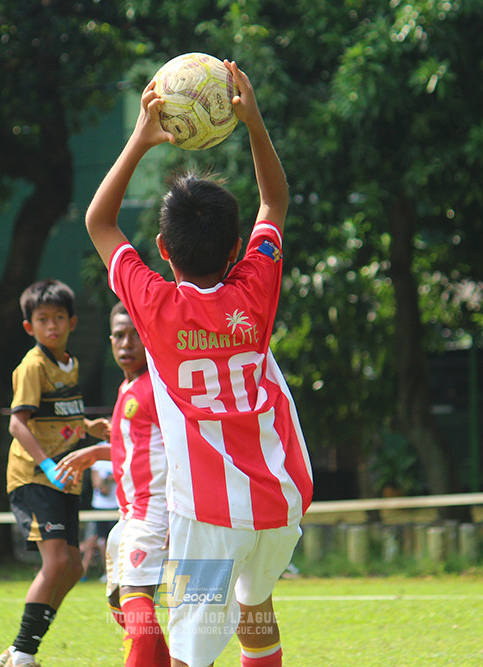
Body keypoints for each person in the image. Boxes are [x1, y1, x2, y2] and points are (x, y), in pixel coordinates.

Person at [85, 61, 313, 667]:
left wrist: (142, 135)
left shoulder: (155, 307)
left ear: (162, 251)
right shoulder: (256, 288)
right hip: (282, 498)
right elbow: (275, 200)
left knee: (191, 657)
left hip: (208, 516)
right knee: (256, 607)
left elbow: (98, 222)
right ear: (237, 248)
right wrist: (253, 120)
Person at [0, 279, 110, 667]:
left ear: (72, 322)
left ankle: (21, 648)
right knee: (57, 562)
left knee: (74, 567)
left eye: (59, 318)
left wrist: (91, 426)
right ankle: (23, 654)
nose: (52, 326)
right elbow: (18, 424)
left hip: (64, 477)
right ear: (30, 327)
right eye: (43, 320)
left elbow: (60, 415)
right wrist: (46, 464)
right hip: (34, 476)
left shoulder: (70, 364)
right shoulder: (32, 366)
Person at [56, 302, 171, 666]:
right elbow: (137, 445)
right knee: (121, 604)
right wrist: (96, 451)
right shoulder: (129, 387)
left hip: (156, 514)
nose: (127, 343)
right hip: (131, 515)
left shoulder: (159, 386)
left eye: (136, 334)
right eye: (120, 335)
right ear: (110, 340)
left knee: (137, 611)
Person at [79, 456, 117, 581]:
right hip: (99, 508)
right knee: (101, 541)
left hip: (117, 507)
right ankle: (108, 573)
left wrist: (108, 480)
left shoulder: (123, 446)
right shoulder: (97, 453)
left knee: (117, 541)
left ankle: (117, 572)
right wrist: (107, 480)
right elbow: (97, 484)